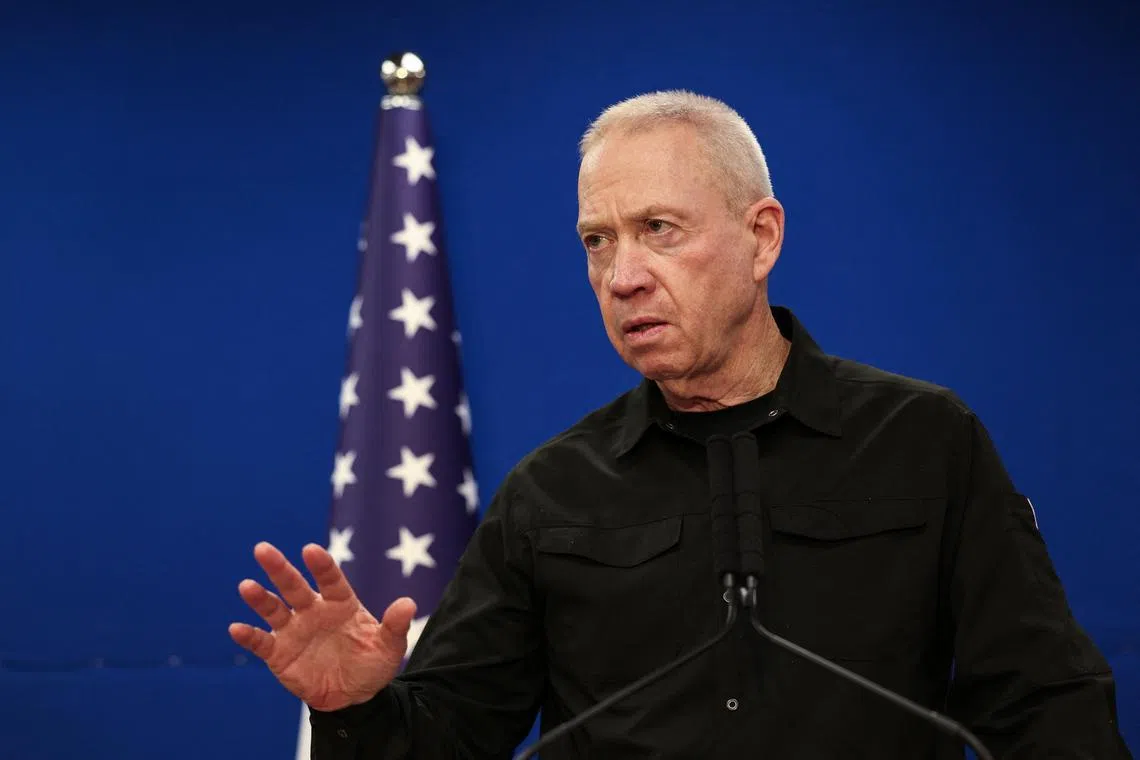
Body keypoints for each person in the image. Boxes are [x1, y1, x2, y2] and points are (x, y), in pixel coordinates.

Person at [229, 90, 1133, 758]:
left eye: (658, 228)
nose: (621, 275)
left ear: (762, 236)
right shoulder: (550, 494)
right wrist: (351, 711)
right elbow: (449, 740)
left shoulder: (925, 444)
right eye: (597, 240)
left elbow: (1050, 713)